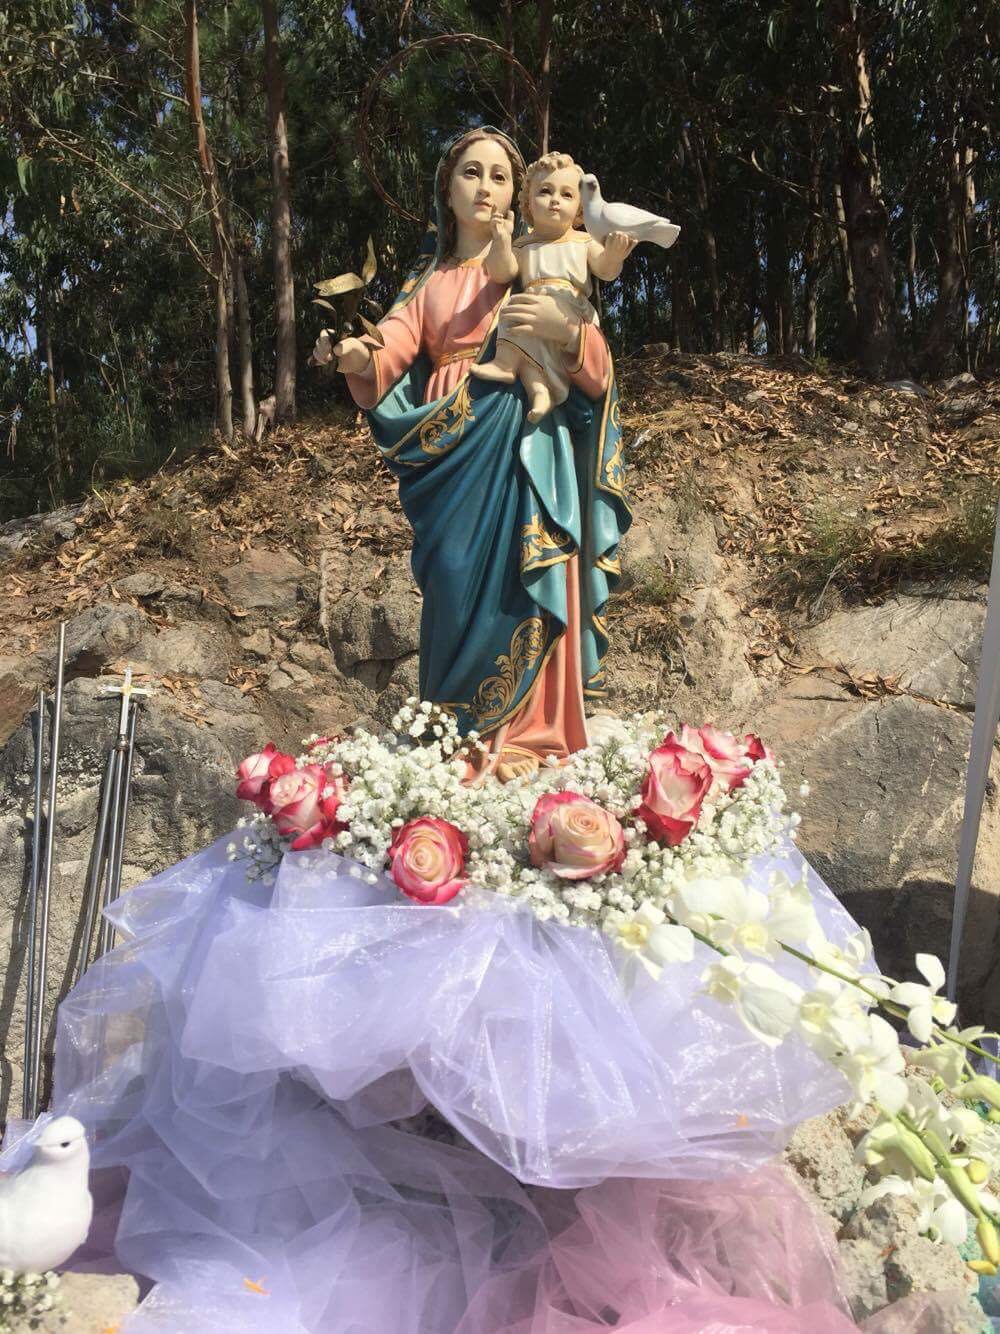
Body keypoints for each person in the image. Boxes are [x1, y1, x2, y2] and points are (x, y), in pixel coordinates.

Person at [313, 127, 631, 784]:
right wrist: (351, 355)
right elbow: (387, 353)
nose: (485, 187)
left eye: (499, 176)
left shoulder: (537, 262)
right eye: (471, 173)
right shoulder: (426, 282)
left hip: (526, 446)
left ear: (518, 195)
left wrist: (568, 335)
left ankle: (531, 735)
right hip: (448, 455)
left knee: (527, 578)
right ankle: (453, 734)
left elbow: (596, 370)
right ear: (446, 188)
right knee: (453, 581)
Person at [471, 151, 636, 424]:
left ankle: (542, 387)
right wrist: (501, 242)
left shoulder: (583, 241)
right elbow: (503, 273)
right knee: (513, 316)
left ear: (580, 207)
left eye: (567, 194)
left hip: (567, 307)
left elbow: (606, 270)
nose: (555, 200)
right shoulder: (523, 244)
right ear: (528, 202)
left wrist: (614, 255)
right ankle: (529, 384)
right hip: (531, 303)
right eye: (545, 191)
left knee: (543, 341)